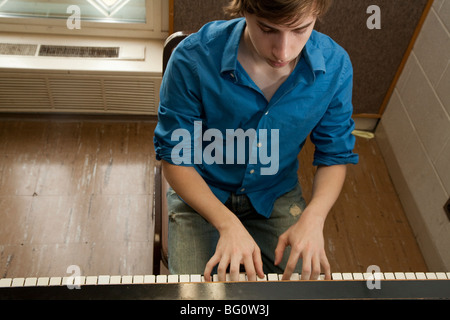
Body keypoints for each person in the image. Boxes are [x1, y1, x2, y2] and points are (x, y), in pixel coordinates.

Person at [153, 0, 358, 282]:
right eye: (267, 29)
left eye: (300, 29)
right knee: (199, 297)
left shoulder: (336, 67)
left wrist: (315, 217)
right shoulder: (193, 58)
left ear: (317, 15)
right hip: (202, 191)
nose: (283, 51)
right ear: (244, 9)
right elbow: (175, 159)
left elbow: (334, 155)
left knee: (301, 290)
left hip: (274, 191)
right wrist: (227, 224)